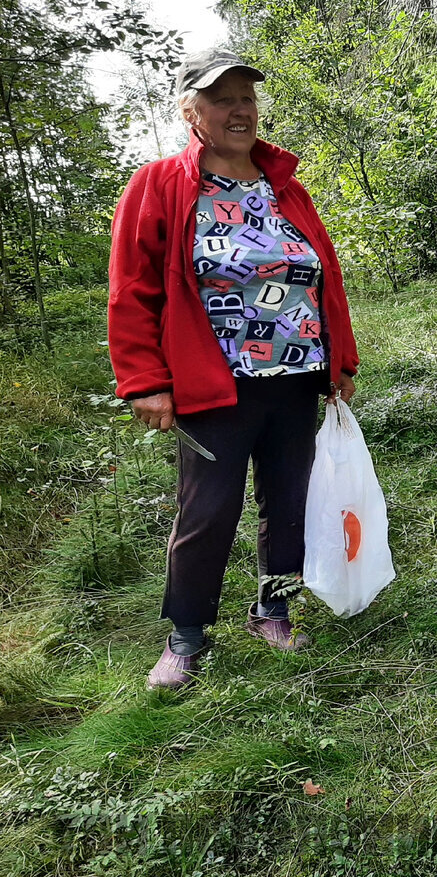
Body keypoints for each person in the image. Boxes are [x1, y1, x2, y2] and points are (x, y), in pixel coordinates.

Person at [107, 49, 360, 690]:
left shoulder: (286, 188)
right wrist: (145, 380)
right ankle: (187, 635)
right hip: (213, 381)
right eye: (222, 99)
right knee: (208, 508)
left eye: (246, 97)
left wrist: (339, 360)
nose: (239, 109)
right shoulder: (160, 185)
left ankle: (271, 608)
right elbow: (132, 290)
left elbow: (322, 276)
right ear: (191, 111)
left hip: (297, 374)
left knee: (290, 501)